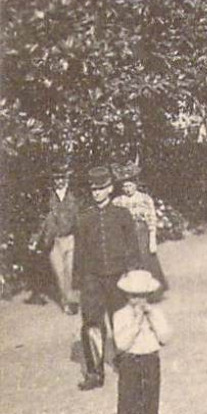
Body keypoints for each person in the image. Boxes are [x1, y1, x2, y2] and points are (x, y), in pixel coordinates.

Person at [72, 166, 143, 390]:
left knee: (122, 320)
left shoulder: (122, 215)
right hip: (92, 277)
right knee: (92, 322)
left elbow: (133, 247)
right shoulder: (84, 217)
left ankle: (127, 363)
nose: (97, 193)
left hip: (118, 276)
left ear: (110, 189)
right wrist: (78, 282)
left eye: (101, 188)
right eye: (93, 189)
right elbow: (79, 251)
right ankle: (95, 373)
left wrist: (135, 274)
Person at [108, 269, 173, 414]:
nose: (138, 301)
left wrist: (151, 317)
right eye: (134, 296)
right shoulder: (120, 316)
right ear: (127, 296)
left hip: (151, 362)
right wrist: (136, 322)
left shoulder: (155, 313)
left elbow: (165, 337)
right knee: (127, 412)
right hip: (130, 364)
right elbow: (122, 344)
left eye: (143, 295)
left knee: (149, 411)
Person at [31, 163, 79, 314]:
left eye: (62, 178)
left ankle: (69, 301)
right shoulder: (47, 197)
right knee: (59, 272)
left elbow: (80, 217)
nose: (59, 181)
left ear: (67, 179)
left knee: (69, 272)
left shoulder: (74, 195)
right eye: (56, 178)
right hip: (53, 240)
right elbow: (41, 219)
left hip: (70, 238)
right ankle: (66, 302)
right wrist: (34, 239)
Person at [112, 162, 167, 292]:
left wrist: (152, 240)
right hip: (126, 235)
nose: (127, 189)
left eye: (130, 186)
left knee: (145, 260)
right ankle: (130, 291)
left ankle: (151, 291)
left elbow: (151, 219)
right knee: (128, 262)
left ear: (135, 185)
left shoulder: (145, 199)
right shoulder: (118, 201)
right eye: (125, 186)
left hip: (142, 233)